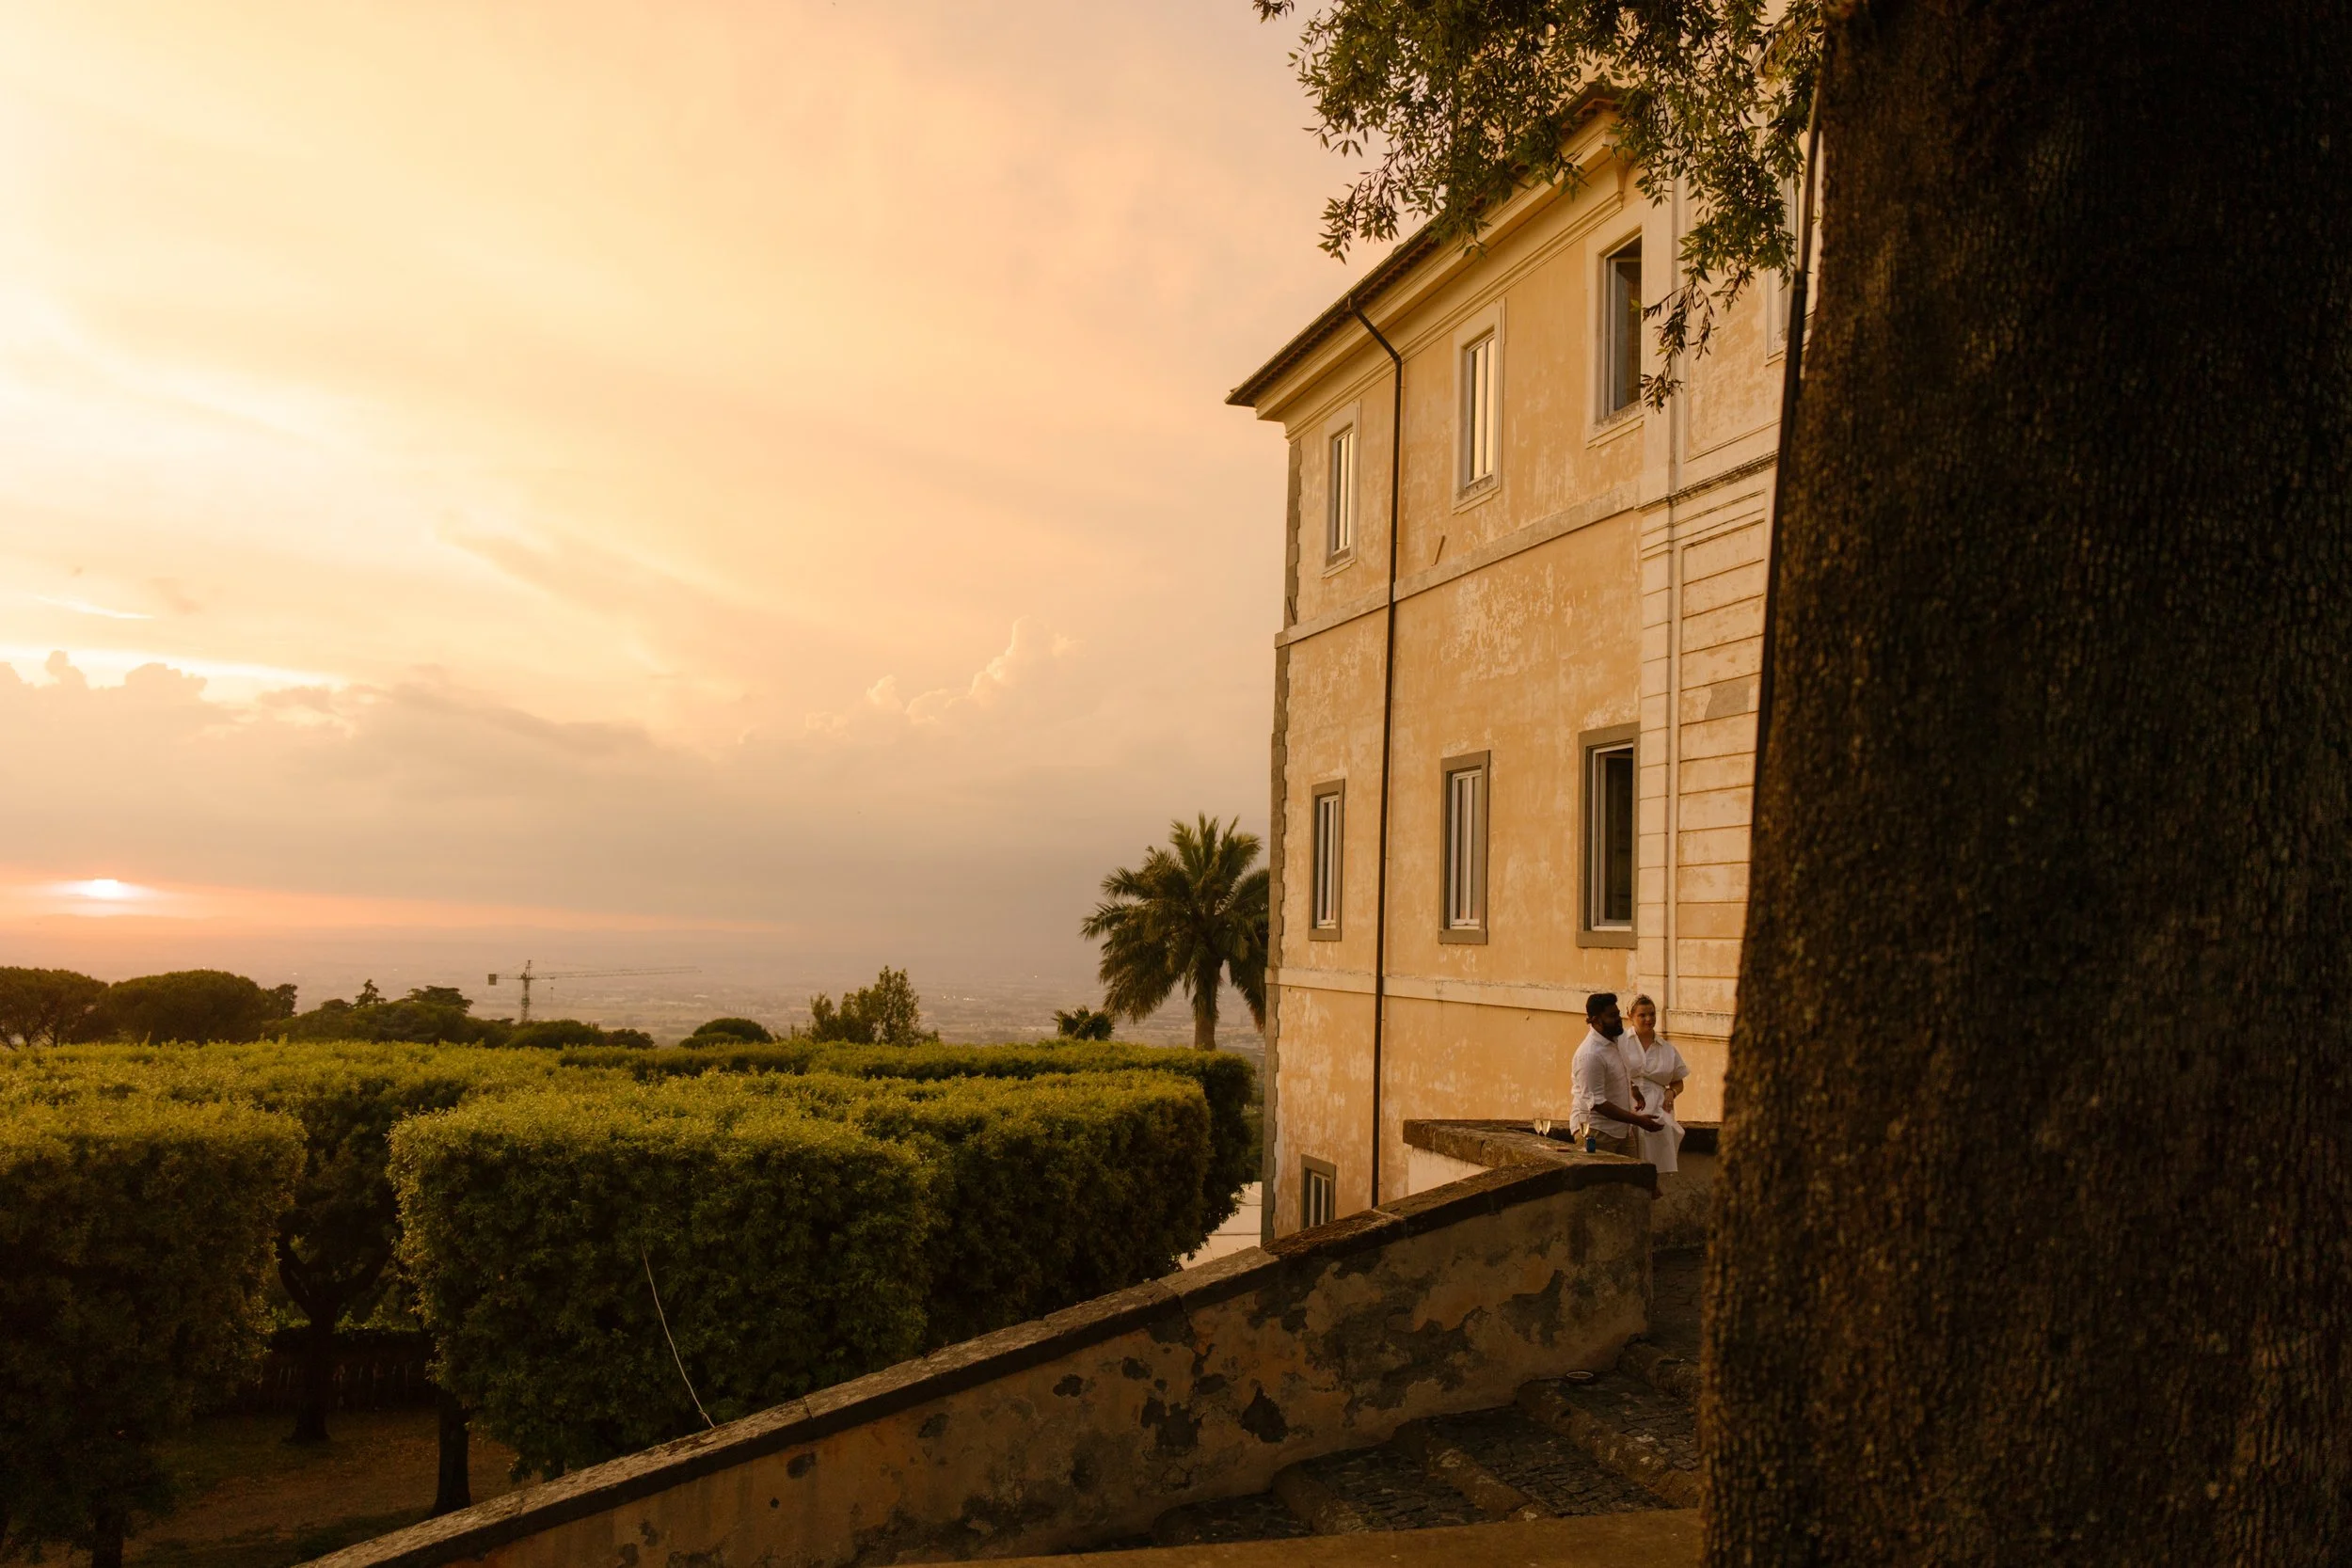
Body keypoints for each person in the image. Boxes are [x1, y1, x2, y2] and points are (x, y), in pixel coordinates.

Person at [1569, 991, 1660, 1157]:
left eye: (1617, 1014)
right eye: (1612, 1016)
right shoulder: (1590, 1055)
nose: (1618, 1019)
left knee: (1634, 1173)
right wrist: (1639, 1121)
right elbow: (1598, 1103)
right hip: (1596, 1132)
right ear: (1596, 1020)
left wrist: (1633, 1087)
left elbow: (1619, 1071)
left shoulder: (1618, 1038)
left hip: (1623, 1130)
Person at [1625, 993, 1690, 1175]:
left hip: (1658, 1108)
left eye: (1652, 1014)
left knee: (1656, 1166)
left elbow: (1678, 1082)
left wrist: (1671, 1092)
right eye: (1642, 1015)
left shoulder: (1667, 1049)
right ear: (1631, 1016)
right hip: (1629, 1107)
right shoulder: (1621, 1043)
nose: (1649, 1019)